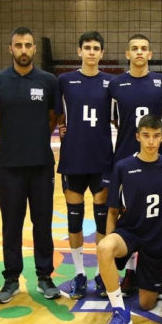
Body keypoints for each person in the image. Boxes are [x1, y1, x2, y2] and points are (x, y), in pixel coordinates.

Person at [0, 27, 60, 303]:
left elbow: (52, 119)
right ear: (11, 49)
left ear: (34, 49)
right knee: (11, 224)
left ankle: (44, 277)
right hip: (9, 166)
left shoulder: (49, 81)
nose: (24, 50)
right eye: (19, 45)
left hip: (41, 164)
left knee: (43, 223)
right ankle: (11, 279)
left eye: (28, 45)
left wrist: (34, 139)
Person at [98, 115, 162, 324]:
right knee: (104, 248)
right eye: (146, 136)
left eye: (156, 136)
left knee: (146, 303)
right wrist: (111, 248)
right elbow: (113, 211)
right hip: (130, 232)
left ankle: (153, 281)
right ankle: (120, 312)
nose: (151, 141)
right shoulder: (124, 167)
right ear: (137, 137)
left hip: (156, 239)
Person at [108, 34, 162, 296]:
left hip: (155, 156)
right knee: (129, 213)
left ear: (150, 54)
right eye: (135, 48)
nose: (140, 52)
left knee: (155, 214)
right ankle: (130, 271)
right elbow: (115, 118)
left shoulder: (161, 82)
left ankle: (154, 272)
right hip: (125, 154)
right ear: (127, 53)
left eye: (144, 48)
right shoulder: (116, 84)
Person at [55, 31, 113, 299]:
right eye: (87, 47)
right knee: (74, 219)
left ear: (102, 53)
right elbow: (57, 114)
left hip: (102, 158)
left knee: (102, 221)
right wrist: (62, 127)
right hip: (73, 158)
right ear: (79, 51)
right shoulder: (65, 81)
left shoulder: (111, 83)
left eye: (96, 48)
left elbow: (118, 117)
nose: (91, 52)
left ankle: (101, 273)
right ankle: (79, 274)